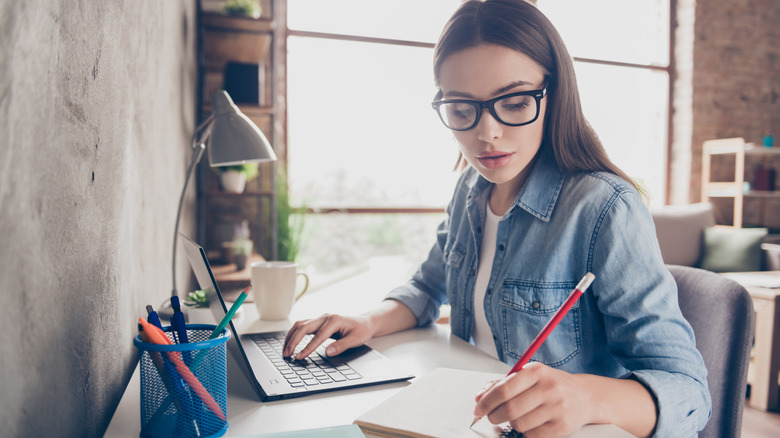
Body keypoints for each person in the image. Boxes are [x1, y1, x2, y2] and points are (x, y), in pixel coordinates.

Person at [283, 1, 711, 436]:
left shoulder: (604, 208)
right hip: (473, 417)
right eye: (462, 109)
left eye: (515, 101)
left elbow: (688, 391)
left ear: (554, 93)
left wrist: (584, 397)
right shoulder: (470, 189)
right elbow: (426, 288)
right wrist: (368, 322)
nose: (486, 133)